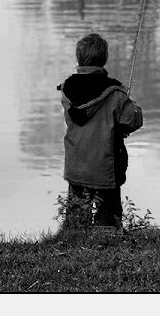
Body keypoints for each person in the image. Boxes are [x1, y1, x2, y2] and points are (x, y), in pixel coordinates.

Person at [58, 33, 143, 228]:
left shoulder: (67, 90)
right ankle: (107, 243)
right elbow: (133, 121)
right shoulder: (115, 93)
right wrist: (132, 104)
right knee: (109, 216)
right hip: (106, 166)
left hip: (77, 163)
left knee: (76, 216)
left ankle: (74, 243)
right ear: (104, 58)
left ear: (79, 58)